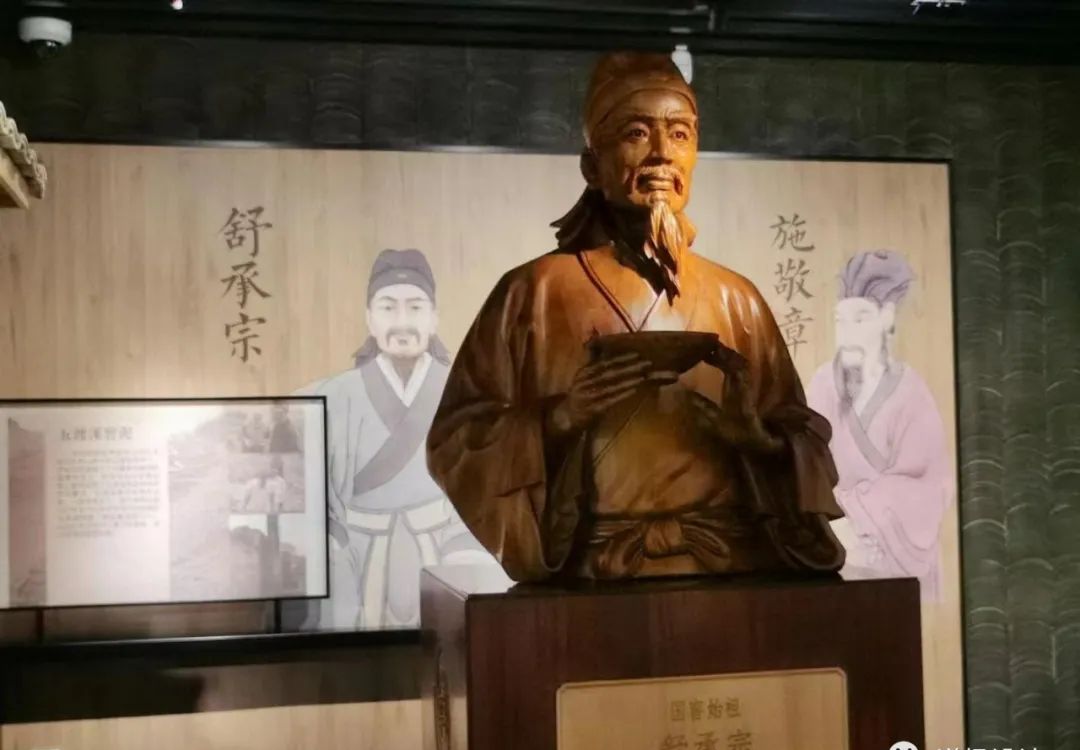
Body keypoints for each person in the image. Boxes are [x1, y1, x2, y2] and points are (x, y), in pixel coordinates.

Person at [427, 52, 846, 582]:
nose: (662, 154)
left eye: (680, 134)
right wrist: (559, 419)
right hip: (592, 568)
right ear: (592, 166)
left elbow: (800, 434)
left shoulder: (737, 298)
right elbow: (456, 441)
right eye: (636, 134)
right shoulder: (531, 292)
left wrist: (759, 440)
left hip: (726, 566)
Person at [294, 249, 493, 629]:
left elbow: (484, 493)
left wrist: (463, 561)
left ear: (433, 318)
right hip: (357, 561)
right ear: (370, 319)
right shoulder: (331, 398)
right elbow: (316, 506)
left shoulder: (468, 396)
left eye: (415, 307)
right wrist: (335, 555)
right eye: (388, 307)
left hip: (446, 559)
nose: (402, 322)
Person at [807, 250, 953, 601]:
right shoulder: (823, 384)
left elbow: (930, 486)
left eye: (860, 318)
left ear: (886, 317)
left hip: (896, 557)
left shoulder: (911, 393)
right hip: (836, 547)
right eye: (840, 320)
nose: (847, 332)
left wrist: (861, 517)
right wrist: (834, 527)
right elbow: (804, 464)